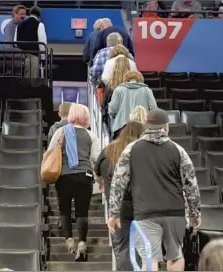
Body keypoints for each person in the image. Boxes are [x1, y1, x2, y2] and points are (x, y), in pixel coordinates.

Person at [108, 108, 201, 271]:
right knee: (176, 256)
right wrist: (195, 214)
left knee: (149, 260)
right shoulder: (179, 151)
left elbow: (118, 183)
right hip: (175, 213)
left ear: (146, 126)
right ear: (166, 127)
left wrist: (114, 213)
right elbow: (191, 185)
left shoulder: (131, 150)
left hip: (145, 213)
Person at [47, 104, 101, 261]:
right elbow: (96, 159)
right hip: (84, 176)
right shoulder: (91, 135)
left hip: (63, 176)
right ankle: (82, 243)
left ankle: (69, 241)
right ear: (85, 118)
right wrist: (98, 179)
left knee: (64, 210)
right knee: (82, 213)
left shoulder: (60, 132)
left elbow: (50, 152)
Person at [94, 120, 145, 271]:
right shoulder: (142, 151)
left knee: (122, 247)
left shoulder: (109, 150)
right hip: (140, 206)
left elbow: (97, 174)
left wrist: (104, 181)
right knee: (140, 246)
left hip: (117, 208)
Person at [108, 71, 157, 139]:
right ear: (140, 79)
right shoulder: (147, 90)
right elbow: (154, 109)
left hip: (122, 128)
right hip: (143, 128)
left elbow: (112, 109)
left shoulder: (118, 90)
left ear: (126, 79)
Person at [14, 6, 47, 79]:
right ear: (39, 15)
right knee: (31, 82)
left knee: (21, 80)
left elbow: (15, 42)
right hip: (33, 56)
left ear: (29, 13)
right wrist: (43, 59)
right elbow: (42, 43)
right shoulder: (40, 25)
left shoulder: (19, 25)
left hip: (20, 57)